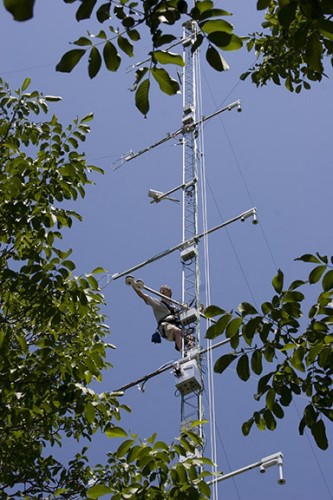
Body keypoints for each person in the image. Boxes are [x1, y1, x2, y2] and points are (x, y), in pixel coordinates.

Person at [130, 282, 190, 352]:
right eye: (161, 291)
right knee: (177, 331)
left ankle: (190, 347)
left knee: (190, 338)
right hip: (166, 327)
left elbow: (185, 315)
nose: (162, 292)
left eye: (164, 290)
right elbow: (143, 296)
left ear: (169, 292)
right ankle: (181, 350)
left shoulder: (174, 307)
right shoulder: (158, 304)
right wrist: (133, 284)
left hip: (175, 326)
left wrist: (195, 309)